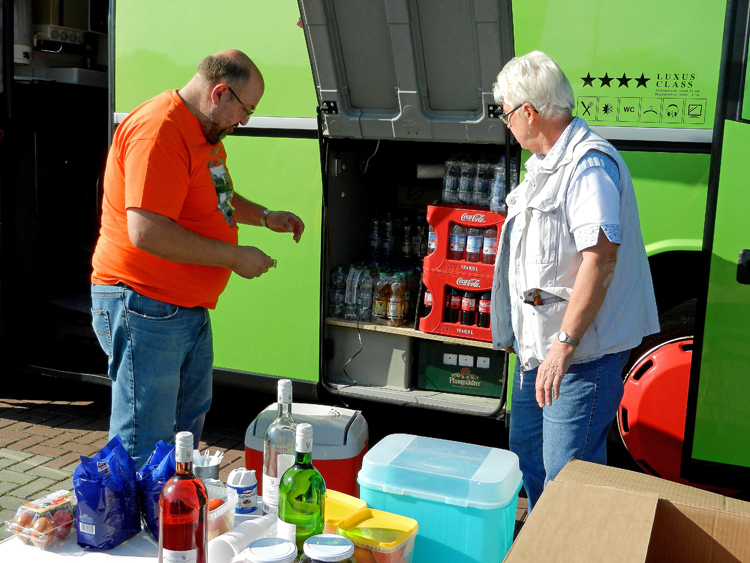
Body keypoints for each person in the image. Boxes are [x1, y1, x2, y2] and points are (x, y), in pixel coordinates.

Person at [90, 50, 305, 467]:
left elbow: (216, 197)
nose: (244, 121)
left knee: (183, 434)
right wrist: (234, 257)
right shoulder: (160, 130)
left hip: (178, 309)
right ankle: (139, 525)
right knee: (145, 441)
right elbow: (146, 231)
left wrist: (263, 217)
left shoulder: (201, 133)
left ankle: (170, 519)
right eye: (245, 110)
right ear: (220, 93)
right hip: (144, 304)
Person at [489, 51, 659, 511]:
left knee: (569, 475)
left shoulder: (587, 164)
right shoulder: (546, 165)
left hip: (580, 354)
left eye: (505, 113)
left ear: (529, 111)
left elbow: (600, 259)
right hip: (538, 353)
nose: (506, 123)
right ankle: (549, 547)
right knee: (530, 457)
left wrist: (563, 346)